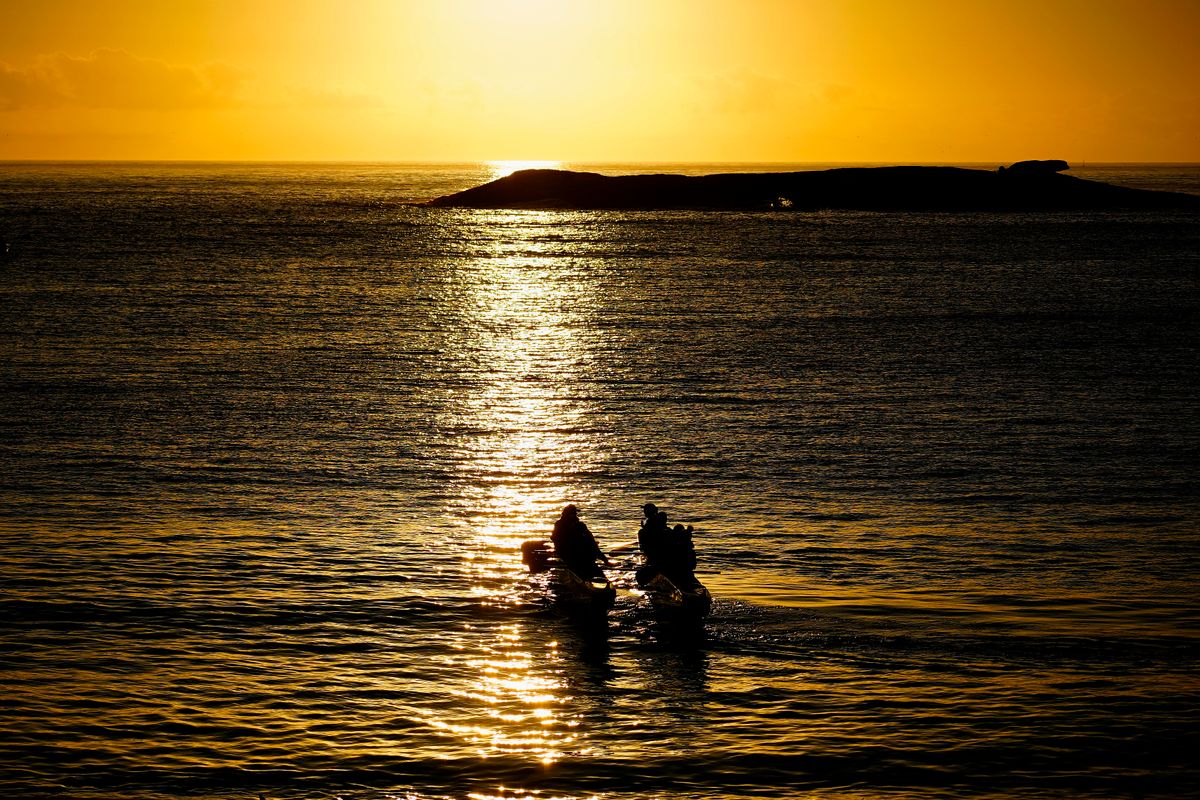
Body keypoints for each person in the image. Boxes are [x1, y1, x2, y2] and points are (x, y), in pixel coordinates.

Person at [551, 504, 609, 579]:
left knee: (590, 545)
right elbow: (554, 538)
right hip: (568, 553)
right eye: (573, 513)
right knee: (589, 546)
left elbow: (591, 540)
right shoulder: (561, 524)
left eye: (575, 513)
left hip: (577, 552)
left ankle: (601, 562)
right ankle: (600, 563)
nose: (575, 515)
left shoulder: (580, 525)